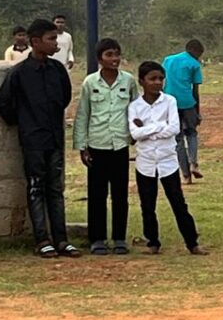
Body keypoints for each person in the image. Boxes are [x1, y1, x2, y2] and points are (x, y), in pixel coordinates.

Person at [0, 18, 80, 258]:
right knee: (36, 187)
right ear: (35, 42)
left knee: (55, 188)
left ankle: (62, 239)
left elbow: (64, 98)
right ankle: (42, 239)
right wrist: (24, 122)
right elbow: (3, 103)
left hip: (54, 136)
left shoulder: (57, 70)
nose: (56, 43)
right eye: (51, 39)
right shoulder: (20, 73)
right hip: (32, 139)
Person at [128, 60, 208, 255]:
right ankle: (152, 242)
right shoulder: (135, 106)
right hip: (146, 161)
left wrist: (146, 128)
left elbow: (173, 128)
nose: (157, 82)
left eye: (161, 79)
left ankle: (192, 242)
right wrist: (158, 127)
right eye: (152, 79)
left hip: (167, 161)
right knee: (148, 204)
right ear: (142, 81)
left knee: (178, 203)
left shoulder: (170, 101)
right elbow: (134, 133)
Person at [73, 37, 136, 255]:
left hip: (119, 145)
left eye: (117, 54)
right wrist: (82, 146)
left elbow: (136, 110)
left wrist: (136, 134)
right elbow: (83, 115)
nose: (114, 59)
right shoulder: (90, 83)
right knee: (97, 194)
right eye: (109, 55)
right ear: (100, 59)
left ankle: (119, 237)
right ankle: (97, 238)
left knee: (120, 195)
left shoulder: (128, 81)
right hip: (97, 144)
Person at [162, 39, 204, 183]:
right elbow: (195, 91)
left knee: (177, 139)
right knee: (191, 133)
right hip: (187, 102)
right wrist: (197, 112)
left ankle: (186, 175)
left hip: (170, 102)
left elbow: (163, 82)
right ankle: (193, 163)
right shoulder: (194, 64)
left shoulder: (168, 60)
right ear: (196, 52)